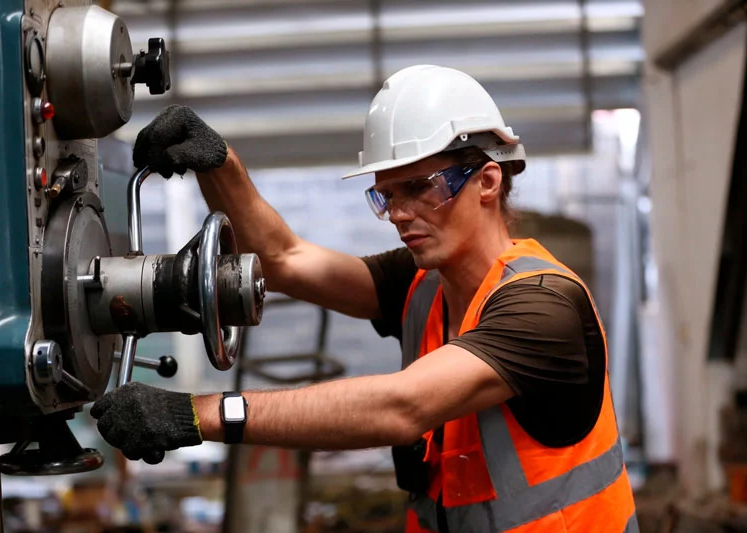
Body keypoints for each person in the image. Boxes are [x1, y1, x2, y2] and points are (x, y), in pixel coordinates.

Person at [91, 65, 638, 532]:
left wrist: (202, 414)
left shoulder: (543, 306)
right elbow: (283, 261)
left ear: (488, 181)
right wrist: (221, 165)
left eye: (422, 187)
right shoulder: (424, 281)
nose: (400, 214)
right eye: (388, 194)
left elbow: (401, 407)